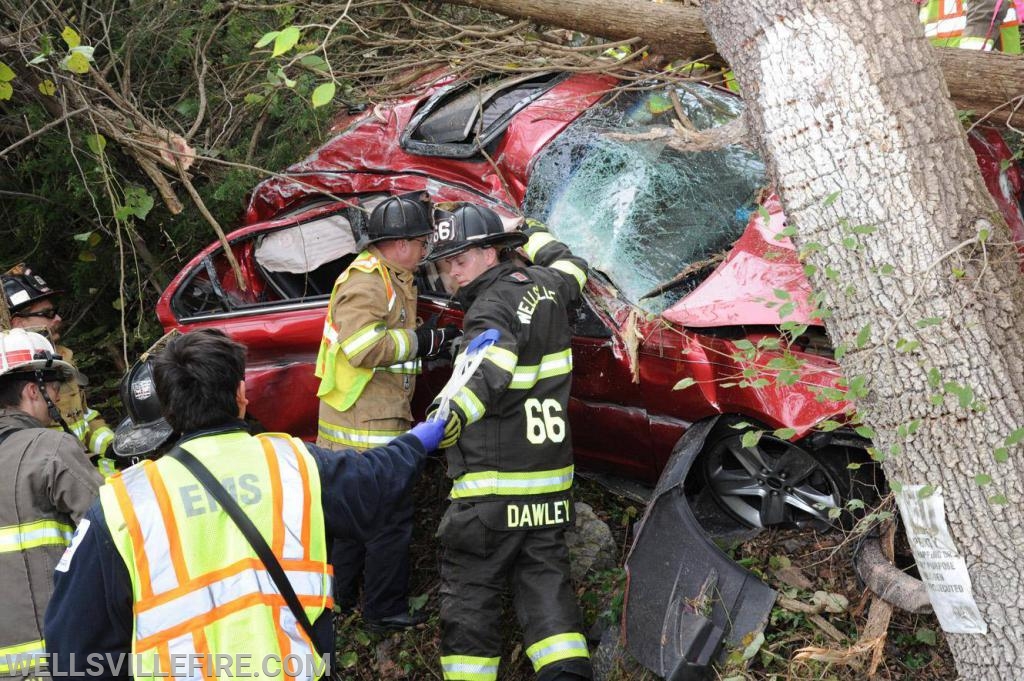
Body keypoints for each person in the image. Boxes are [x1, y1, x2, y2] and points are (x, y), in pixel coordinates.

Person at [44, 329, 444, 676]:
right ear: (240, 394)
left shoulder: (122, 503)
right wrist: (418, 440)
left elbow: (74, 645)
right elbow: (373, 485)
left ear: (167, 410)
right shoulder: (291, 463)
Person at [425, 204, 593, 681]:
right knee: (547, 589)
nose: (451, 270)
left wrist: (442, 421)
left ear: (489, 252)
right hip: (547, 485)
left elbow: (485, 371)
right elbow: (572, 265)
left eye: (460, 258)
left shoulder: (491, 307)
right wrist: (532, 231)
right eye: (444, 262)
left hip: (492, 491)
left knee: (470, 596)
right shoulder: (546, 287)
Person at [314, 192, 459, 631]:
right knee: (390, 522)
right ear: (398, 244)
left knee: (352, 523)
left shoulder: (391, 275)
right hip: (366, 426)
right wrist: (422, 342)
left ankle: (336, 602)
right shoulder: (367, 282)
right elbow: (361, 347)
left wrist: (421, 339)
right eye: (421, 243)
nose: (425, 251)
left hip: (365, 419)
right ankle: (384, 612)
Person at [0, 329, 102, 677]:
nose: (58, 396)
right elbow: (114, 529)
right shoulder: (50, 448)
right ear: (32, 390)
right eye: (54, 385)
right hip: (56, 658)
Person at [3, 264, 117, 475]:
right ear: (18, 323)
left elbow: (84, 416)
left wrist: (115, 449)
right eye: (47, 314)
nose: (58, 319)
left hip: (88, 475)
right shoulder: (10, 375)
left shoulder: (64, 358)